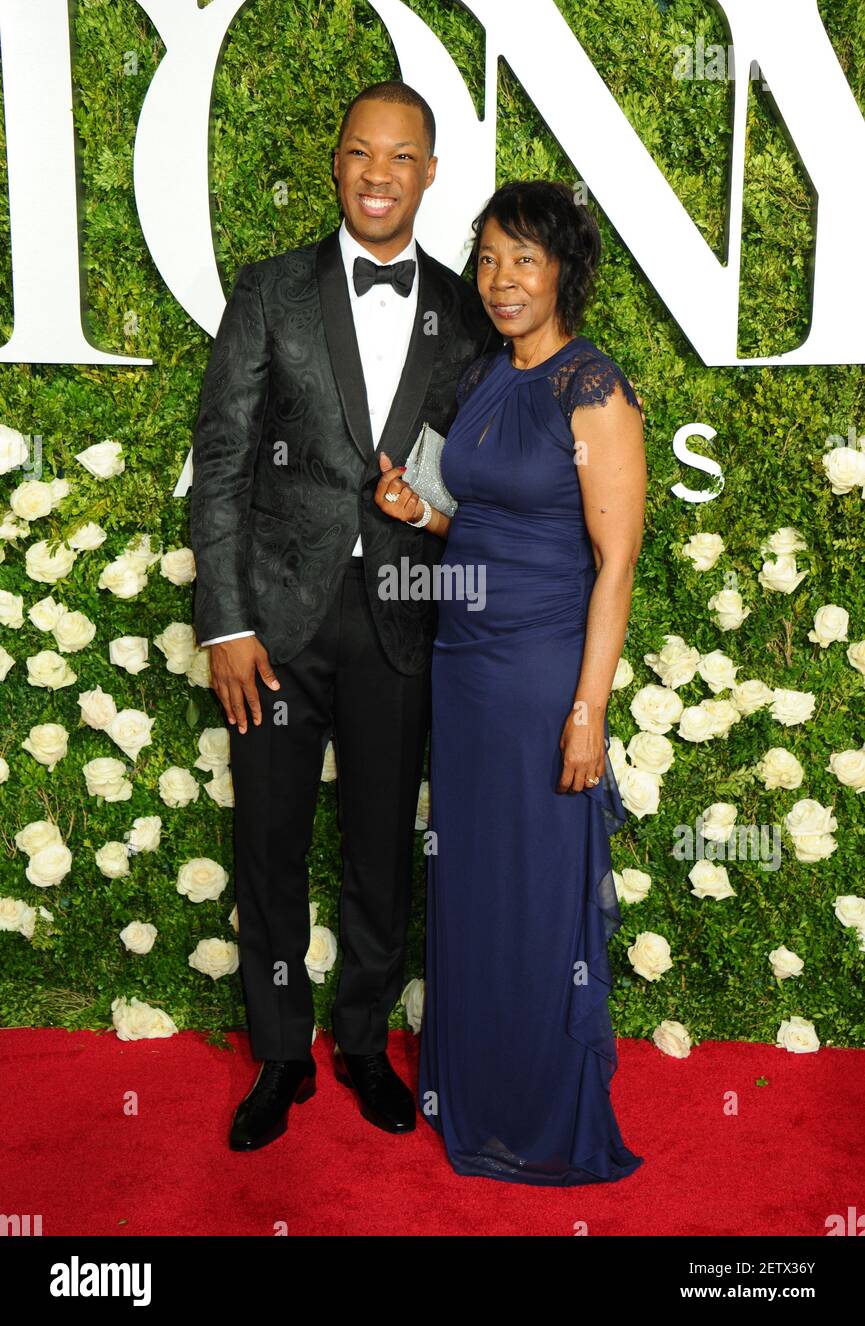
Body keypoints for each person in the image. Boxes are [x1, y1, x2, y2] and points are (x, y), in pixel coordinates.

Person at [190, 81, 492, 1152]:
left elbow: (486, 474)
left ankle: (361, 1038)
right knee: (267, 839)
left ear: (429, 172)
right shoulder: (270, 290)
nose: (377, 173)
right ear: (335, 162)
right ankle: (280, 1051)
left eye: (399, 156)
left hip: (405, 618)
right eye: (359, 152)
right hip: (273, 626)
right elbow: (221, 461)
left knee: (381, 843)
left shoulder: (466, 308)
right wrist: (225, 622)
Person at [374, 179, 647, 1185]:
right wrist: (420, 516)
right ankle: (472, 1092)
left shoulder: (595, 390)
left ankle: (536, 1112)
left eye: (523, 259)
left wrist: (588, 713)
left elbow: (610, 562)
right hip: (466, 672)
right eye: (487, 258)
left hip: (540, 679)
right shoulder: (490, 375)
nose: (499, 280)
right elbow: (487, 526)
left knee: (534, 897)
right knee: (475, 888)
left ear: (564, 269)